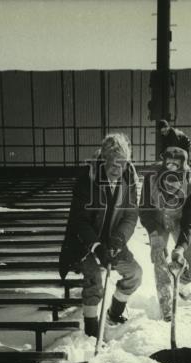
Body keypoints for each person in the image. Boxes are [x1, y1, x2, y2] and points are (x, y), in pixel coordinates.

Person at [59, 132, 142, 337]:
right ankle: (91, 330)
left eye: (122, 164)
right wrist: (97, 247)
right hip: (83, 243)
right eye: (113, 164)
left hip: (112, 242)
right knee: (95, 277)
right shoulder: (87, 180)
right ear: (104, 161)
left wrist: (118, 240)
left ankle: (114, 313)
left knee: (135, 274)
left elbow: (130, 216)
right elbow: (81, 222)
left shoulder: (128, 179)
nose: (118, 170)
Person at [139, 146, 191, 322]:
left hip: (179, 222)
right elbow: (144, 210)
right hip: (157, 222)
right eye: (169, 163)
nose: (172, 166)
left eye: (177, 163)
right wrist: (153, 234)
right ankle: (165, 305)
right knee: (159, 258)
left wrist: (181, 247)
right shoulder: (151, 177)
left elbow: (189, 222)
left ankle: (179, 285)